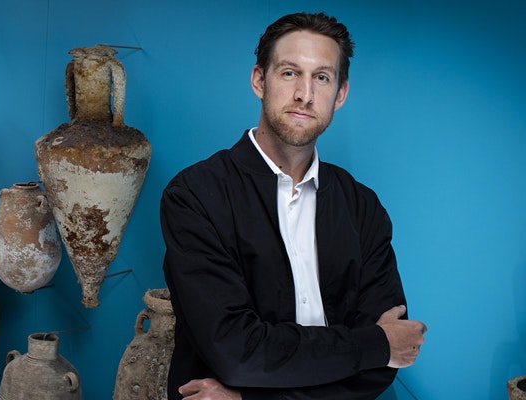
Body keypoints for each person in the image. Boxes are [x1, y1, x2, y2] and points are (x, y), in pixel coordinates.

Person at [160, 12, 427, 400]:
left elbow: (384, 366)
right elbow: (236, 354)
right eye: (289, 73)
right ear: (259, 80)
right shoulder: (195, 195)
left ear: (340, 93)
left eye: (321, 77)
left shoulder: (363, 207)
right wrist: (371, 345)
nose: (305, 94)